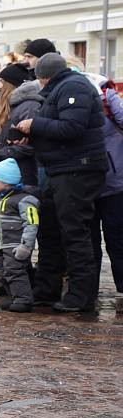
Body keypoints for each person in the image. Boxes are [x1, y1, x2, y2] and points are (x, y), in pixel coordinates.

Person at [15, 53, 106, 313]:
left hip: (77, 169)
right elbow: (62, 130)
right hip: (63, 169)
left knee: (74, 232)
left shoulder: (73, 87)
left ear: (43, 76)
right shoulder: (63, 88)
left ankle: (80, 296)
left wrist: (35, 124)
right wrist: (31, 135)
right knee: (51, 230)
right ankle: (46, 290)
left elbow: (72, 127)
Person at [0, 158, 39, 312]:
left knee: (15, 271)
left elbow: (31, 223)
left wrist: (26, 246)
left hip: (15, 245)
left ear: (6, 181)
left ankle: (23, 300)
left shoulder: (24, 200)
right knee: (0, 270)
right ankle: (14, 297)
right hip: (1, 244)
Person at [93, 75, 123, 307]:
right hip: (86, 181)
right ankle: (88, 288)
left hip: (115, 181)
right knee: (90, 238)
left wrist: (108, 99)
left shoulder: (107, 97)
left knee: (116, 235)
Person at [0, 64, 43, 186]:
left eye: (2, 82)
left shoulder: (30, 106)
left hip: (21, 176)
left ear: (12, 85)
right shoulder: (10, 106)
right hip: (5, 173)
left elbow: (30, 146)